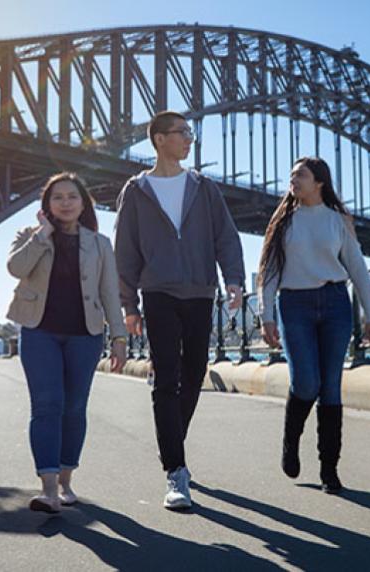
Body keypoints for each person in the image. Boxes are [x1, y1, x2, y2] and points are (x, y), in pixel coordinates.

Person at [114, 111, 245, 509]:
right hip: (158, 292)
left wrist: (234, 279)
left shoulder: (203, 187)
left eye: (190, 132)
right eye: (182, 133)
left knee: (194, 372)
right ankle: (176, 470)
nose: (189, 139)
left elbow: (226, 235)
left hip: (201, 292)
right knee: (166, 375)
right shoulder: (136, 190)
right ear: (159, 139)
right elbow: (125, 250)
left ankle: (170, 440)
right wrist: (128, 304)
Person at [258, 156, 370, 494]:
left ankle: (330, 470)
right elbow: (268, 273)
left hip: (335, 305)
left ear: (319, 183)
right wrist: (266, 316)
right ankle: (290, 441)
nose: (293, 179)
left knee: (330, 387)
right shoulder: (283, 222)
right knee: (306, 382)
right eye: (291, 174)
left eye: (301, 174)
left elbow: (358, 269)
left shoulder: (337, 221)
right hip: (294, 305)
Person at [7, 172, 128, 513]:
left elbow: (109, 292)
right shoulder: (29, 236)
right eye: (57, 197)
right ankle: (47, 490)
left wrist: (119, 336)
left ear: (83, 203)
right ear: (47, 205)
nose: (65, 202)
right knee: (46, 405)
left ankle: (66, 481)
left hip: (84, 335)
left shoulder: (100, 243)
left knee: (74, 408)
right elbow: (16, 268)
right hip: (39, 331)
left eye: (72, 196)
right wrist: (43, 234)